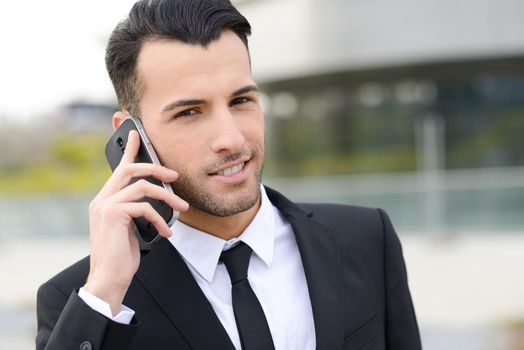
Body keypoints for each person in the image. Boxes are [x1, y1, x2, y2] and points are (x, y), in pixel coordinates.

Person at [36, 0, 422, 349]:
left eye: (241, 100)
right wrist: (104, 292)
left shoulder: (366, 239)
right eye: (189, 112)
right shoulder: (88, 301)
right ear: (131, 134)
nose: (231, 138)